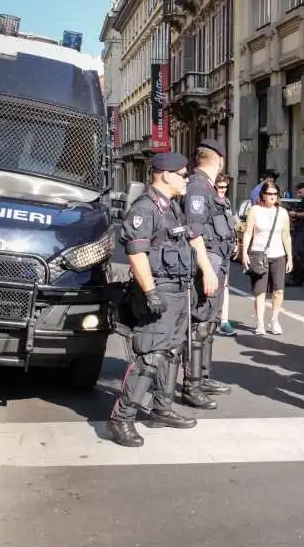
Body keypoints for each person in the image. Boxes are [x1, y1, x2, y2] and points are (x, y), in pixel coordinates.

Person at [108, 152, 218, 448]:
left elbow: (190, 240)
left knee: (170, 352)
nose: (186, 180)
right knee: (151, 356)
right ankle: (122, 418)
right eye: (182, 175)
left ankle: (161, 408)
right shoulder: (146, 208)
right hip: (160, 290)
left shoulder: (172, 207)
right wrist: (150, 292)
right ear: (166, 175)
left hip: (179, 290)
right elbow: (136, 253)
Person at [179, 138, 234, 411]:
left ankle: (203, 377)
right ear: (220, 160)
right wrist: (207, 269)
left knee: (209, 324)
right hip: (207, 264)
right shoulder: (198, 187)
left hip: (218, 262)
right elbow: (194, 232)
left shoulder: (208, 187)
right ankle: (192, 385)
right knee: (199, 325)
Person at [242, 182, 293, 335]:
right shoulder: (255, 210)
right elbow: (248, 232)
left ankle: (274, 320)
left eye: (275, 194)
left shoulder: (282, 212)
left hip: (278, 255)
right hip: (258, 254)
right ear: (263, 195)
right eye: (269, 193)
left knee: (278, 290)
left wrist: (290, 256)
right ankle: (259, 322)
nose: (272, 196)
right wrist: (244, 252)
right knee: (260, 291)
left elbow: (286, 235)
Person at [215, 173, 237, 336]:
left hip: (225, 248)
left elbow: (231, 225)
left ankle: (224, 320)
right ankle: (211, 319)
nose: (223, 190)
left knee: (225, 285)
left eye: (225, 187)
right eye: (220, 186)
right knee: (213, 285)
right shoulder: (209, 201)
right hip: (213, 249)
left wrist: (236, 241)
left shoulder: (227, 202)